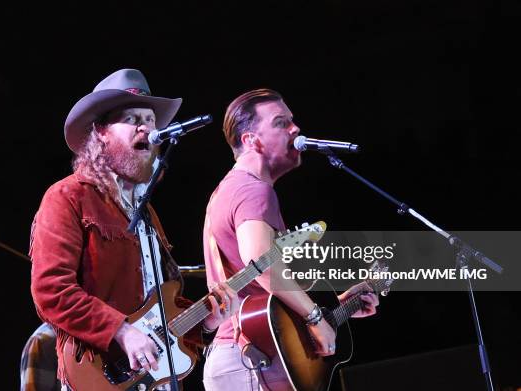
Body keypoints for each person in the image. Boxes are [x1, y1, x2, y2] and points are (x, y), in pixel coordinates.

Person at [29, 69, 238, 390]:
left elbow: (161, 304)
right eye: (131, 118)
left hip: (155, 374)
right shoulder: (68, 197)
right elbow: (51, 290)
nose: (146, 127)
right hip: (99, 370)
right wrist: (121, 331)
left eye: (150, 119)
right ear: (100, 132)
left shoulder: (146, 210)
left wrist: (206, 322)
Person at [202, 89, 380, 390]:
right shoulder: (253, 190)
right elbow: (260, 262)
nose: (295, 129)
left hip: (244, 356)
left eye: (293, 121)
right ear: (251, 140)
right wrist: (313, 317)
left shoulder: (231, 188)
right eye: (281, 123)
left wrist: (336, 308)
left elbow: (261, 296)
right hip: (252, 362)